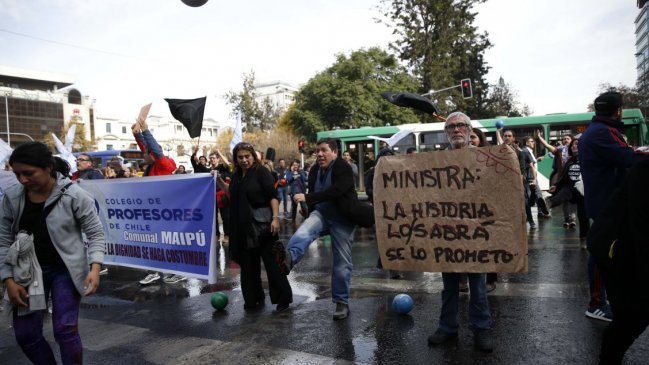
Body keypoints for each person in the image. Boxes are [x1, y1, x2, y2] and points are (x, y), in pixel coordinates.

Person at [0, 142, 105, 364]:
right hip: (26, 272)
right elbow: (3, 241)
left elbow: (95, 233)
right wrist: (8, 279)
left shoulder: (75, 196)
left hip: (65, 271)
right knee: (26, 335)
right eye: (17, 174)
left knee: (65, 330)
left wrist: (95, 268)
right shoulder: (11, 198)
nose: (23, 180)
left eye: (29, 173)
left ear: (48, 168)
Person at [275, 138, 374, 320]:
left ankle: (342, 303)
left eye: (324, 150)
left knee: (341, 263)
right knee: (303, 232)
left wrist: (308, 197)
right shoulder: (313, 171)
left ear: (334, 152)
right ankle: (288, 260)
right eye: (317, 151)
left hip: (343, 218)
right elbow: (314, 194)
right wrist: (309, 210)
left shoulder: (342, 167)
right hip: (322, 214)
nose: (319, 154)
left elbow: (336, 190)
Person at [579, 91, 649, 322]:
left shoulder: (597, 130)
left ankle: (605, 298)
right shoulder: (603, 132)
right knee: (601, 251)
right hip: (608, 202)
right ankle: (597, 303)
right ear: (618, 110)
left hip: (605, 201)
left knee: (608, 248)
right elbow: (628, 158)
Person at [427, 112, 493, 353]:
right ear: (447, 132)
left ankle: (481, 329)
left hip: (476, 234)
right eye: (451, 127)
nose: (456, 130)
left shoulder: (484, 159)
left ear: (469, 129)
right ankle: (447, 327)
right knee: (450, 285)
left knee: (477, 286)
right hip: (448, 234)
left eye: (461, 126)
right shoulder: (437, 160)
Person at [588, 156, 649, 364]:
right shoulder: (643, 170)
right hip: (616, 249)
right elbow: (642, 232)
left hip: (628, 246)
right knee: (632, 317)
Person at [219, 142, 292, 311]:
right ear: (236, 159)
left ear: (253, 157)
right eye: (240, 157)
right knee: (248, 266)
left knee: (272, 263)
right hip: (244, 228)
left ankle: (283, 299)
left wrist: (275, 218)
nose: (244, 160)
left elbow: (273, 196)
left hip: (263, 226)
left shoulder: (261, 172)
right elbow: (233, 194)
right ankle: (254, 299)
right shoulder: (237, 175)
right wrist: (219, 181)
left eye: (247, 156)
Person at [131, 118, 185, 285]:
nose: (143, 154)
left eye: (146, 153)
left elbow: (154, 149)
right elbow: (147, 148)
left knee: (169, 243)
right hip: (153, 211)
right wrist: (137, 134)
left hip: (166, 211)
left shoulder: (164, 165)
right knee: (152, 242)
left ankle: (178, 271)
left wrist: (145, 130)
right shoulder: (151, 167)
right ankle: (154, 271)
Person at [545, 137, 589, 241]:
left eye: (577, 144)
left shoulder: (586, 159)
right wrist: (555, 185)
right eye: (572, 145)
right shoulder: (569, 161)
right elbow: (563, 177)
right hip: (571, 189)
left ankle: (584, 238)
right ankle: (549, 203)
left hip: (583, 192)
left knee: (583, 217)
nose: (574, 146)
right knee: (565, 191)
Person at [537, 131, 576, 227]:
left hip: (573, 177)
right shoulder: (559, 150)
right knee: (565, 199)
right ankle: (567, 219)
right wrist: (539, 137)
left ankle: (572, 219)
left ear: (572, 141)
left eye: (567, 138)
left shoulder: (576, 149)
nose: (565, 140)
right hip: (562, 178)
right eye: (564, 139)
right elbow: (547, 146)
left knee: (573, 199)